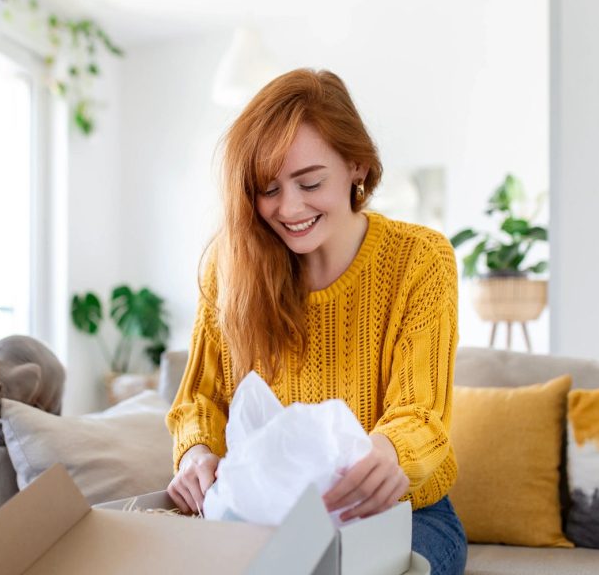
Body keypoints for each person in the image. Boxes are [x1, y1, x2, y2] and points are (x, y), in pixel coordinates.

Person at [165, 68, 467, 574]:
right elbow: (201, 399)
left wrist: (386, 453)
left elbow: (421, 412)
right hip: (266, 515)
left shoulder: (421, 259)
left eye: (310, 182)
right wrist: (196, 454)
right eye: (268, 188)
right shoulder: (231, 266)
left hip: (399, 513)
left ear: (357, 165)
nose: (289, 208)